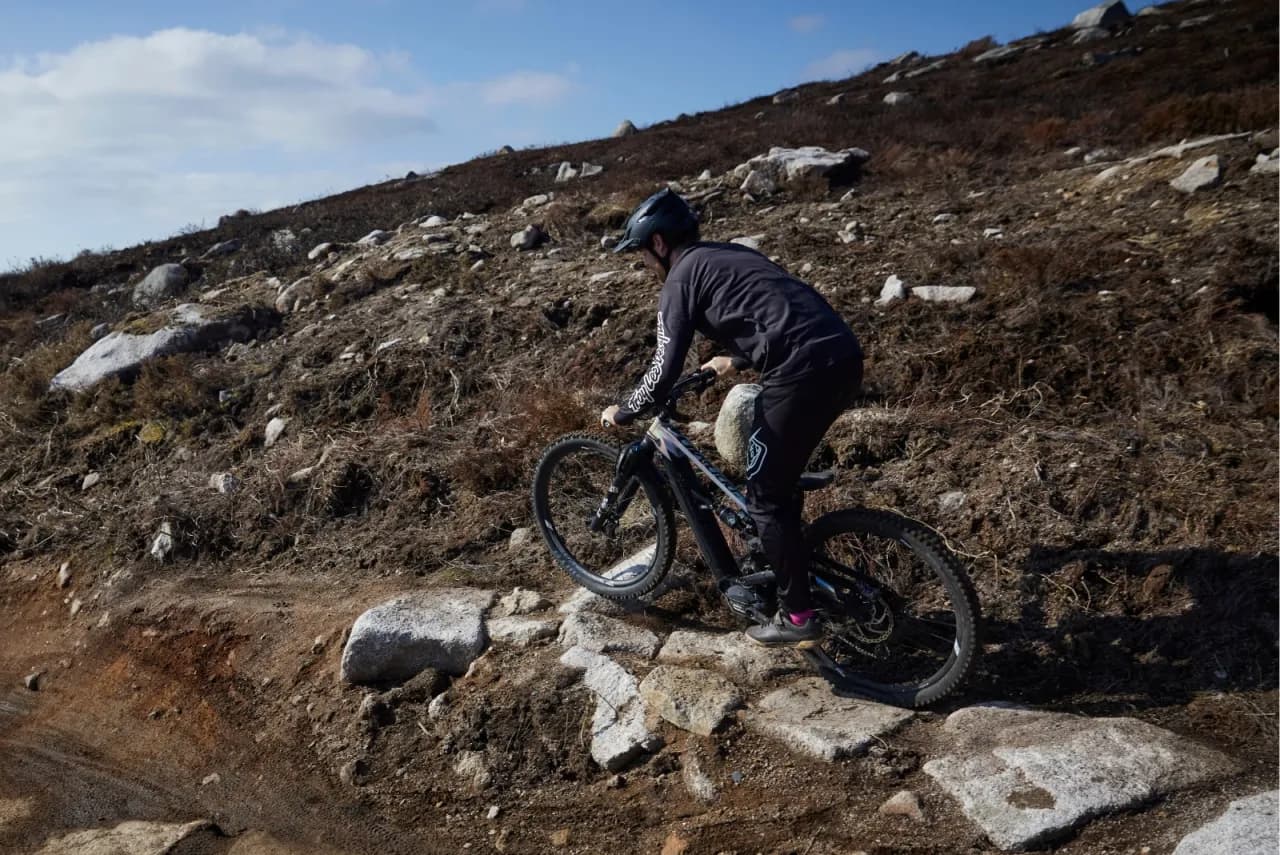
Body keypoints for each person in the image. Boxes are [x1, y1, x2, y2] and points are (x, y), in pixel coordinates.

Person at [600, 188, 863, 647]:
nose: (644, 266)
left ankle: (799, 617)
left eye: (642, 255)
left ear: (659, 244)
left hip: (799, 371)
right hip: (841, 356)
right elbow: (773, 311)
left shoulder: (679, 279)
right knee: (774, 471)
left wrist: (625, 410)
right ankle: (782, 551)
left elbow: (663, 369)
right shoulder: (728, 256)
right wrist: (734, 360)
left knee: (764, 499)